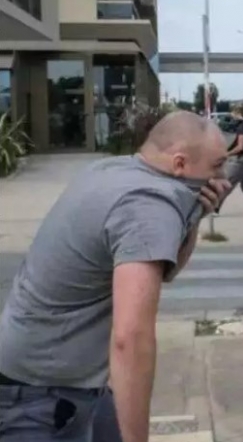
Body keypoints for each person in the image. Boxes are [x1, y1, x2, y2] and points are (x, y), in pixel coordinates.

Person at [0, 111, 231, 441]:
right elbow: (131, 341)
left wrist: (194, 215)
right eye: (217, 165)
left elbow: (167, 271)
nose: (223, 178)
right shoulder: (148, 207)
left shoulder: (111, 169)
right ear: (180, 164)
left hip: (59, 376)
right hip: (41, 398)